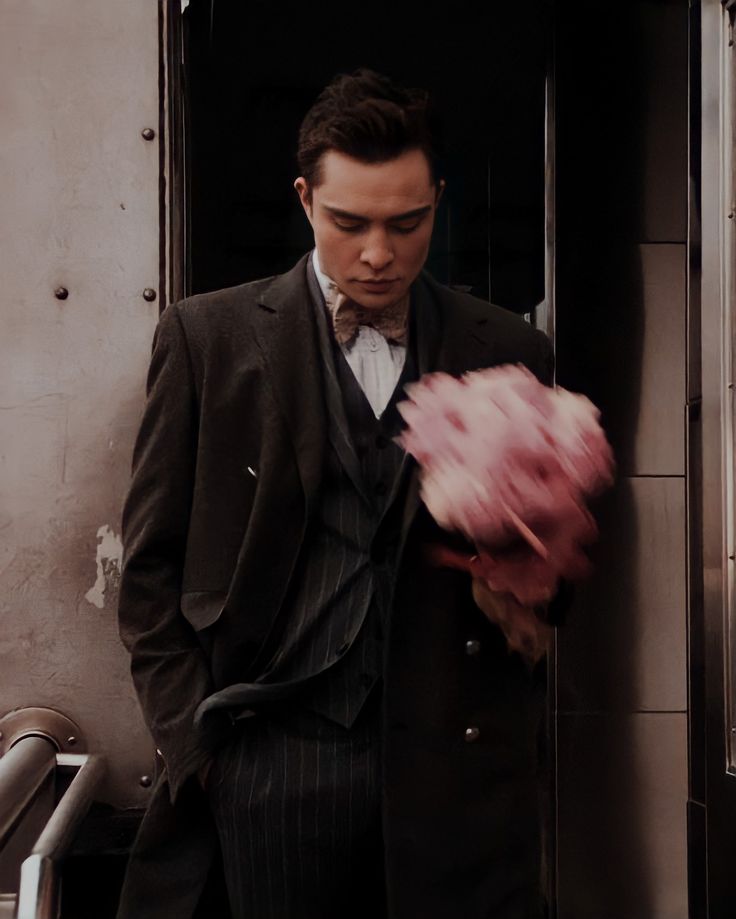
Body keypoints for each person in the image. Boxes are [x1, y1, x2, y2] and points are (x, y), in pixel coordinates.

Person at [116, 69, 557, 919]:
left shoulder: (509, 347)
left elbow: (560, 567)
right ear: (305, 200)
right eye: (350, 223)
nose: (380, 253)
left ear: (437, 200)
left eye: (408, 222)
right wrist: (199, 751)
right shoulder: (207, 338)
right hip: (272, 768)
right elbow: (149, 570)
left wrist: (528, 580)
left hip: (453, 773)